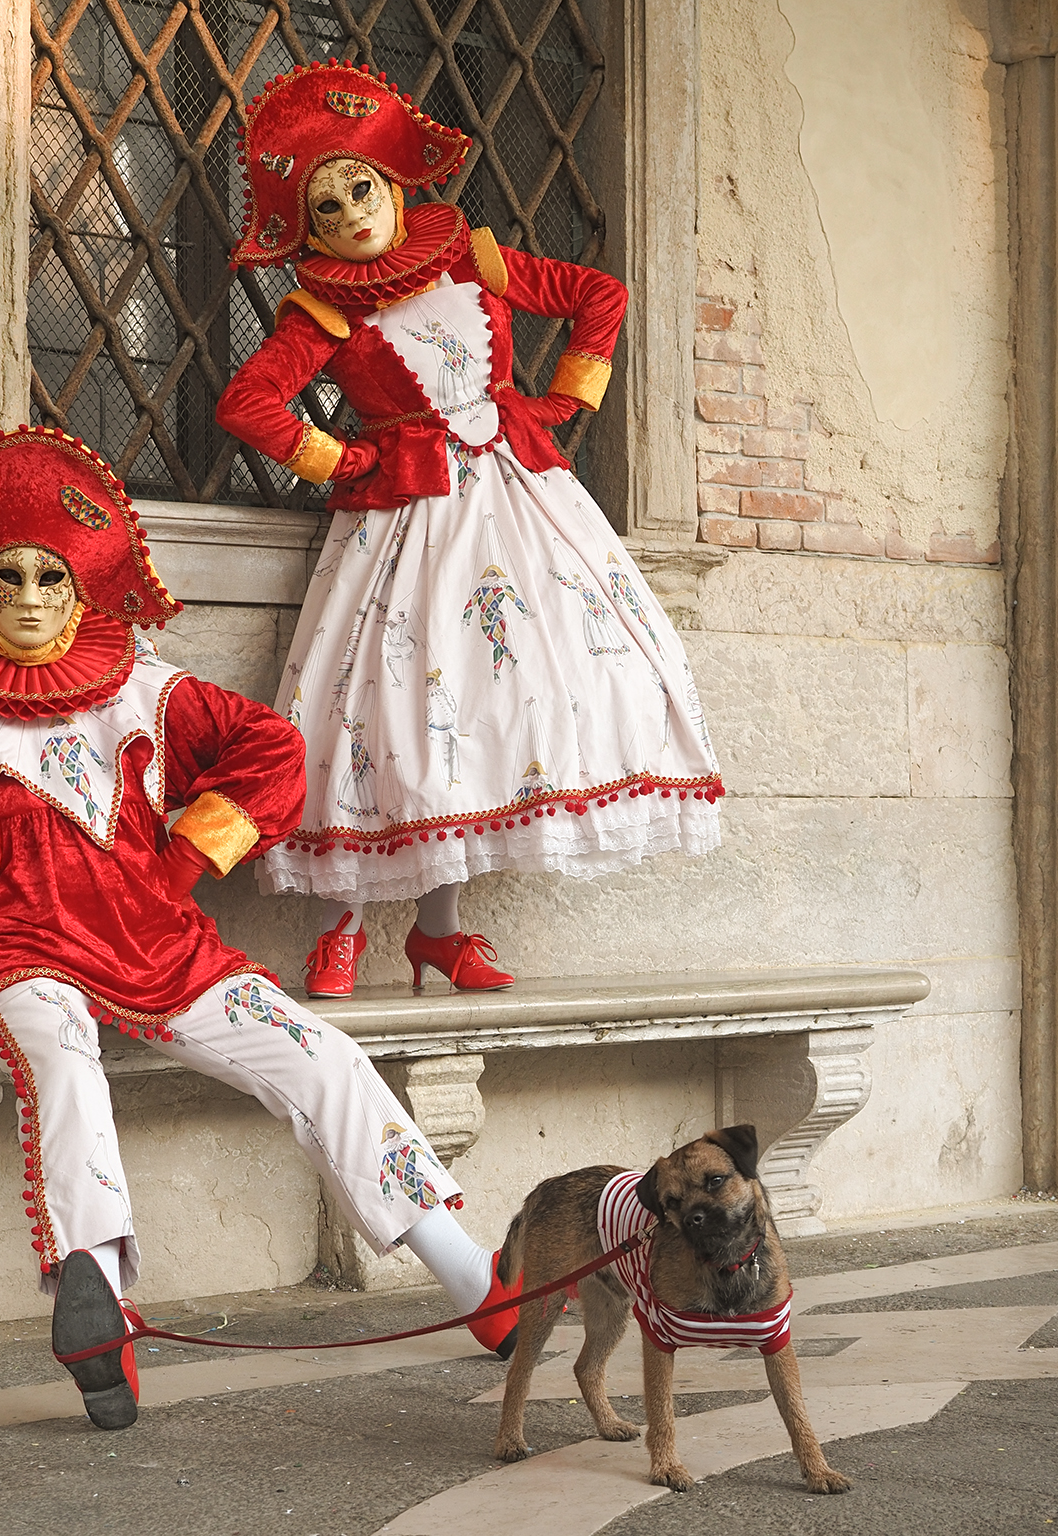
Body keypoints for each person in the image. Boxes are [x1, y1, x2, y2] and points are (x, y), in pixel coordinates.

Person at [0, 425, 519, 1431]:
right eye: (6, 576)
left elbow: (269, 752)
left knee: (315, 1050)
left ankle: (471, 1279)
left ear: (83, 587)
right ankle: (93, 1297)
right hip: (8, 948)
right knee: (59, 1055)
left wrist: (183, 860)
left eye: (50, 579)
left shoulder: (141, 685)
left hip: (158, 943)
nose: (26, 598)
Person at [216, 61, 724, 1001]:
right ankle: (340, 929)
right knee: (381, 703)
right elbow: (247, 403)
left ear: (394, 179)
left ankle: (438, 933)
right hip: (405, 520)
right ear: (310, 230)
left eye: (360, 187)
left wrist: (569, 395)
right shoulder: (325, 309)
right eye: (325, 210)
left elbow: (598, 298)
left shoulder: (472, 257)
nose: (353, 216)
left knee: (485, 708)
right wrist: (346, 458)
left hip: (519, 503)